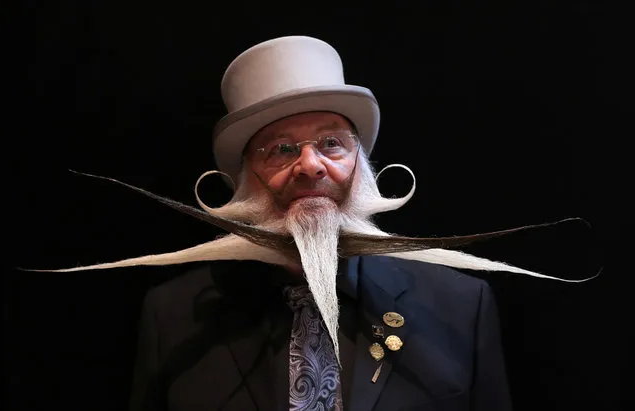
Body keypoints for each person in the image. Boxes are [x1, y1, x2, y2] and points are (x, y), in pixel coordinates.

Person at [35, 35, 582, 410]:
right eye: (279, 148)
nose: (310, 165)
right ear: (245, 181)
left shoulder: (462, 308)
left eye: (331, 144)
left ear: (362, 166)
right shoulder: (173, 316)